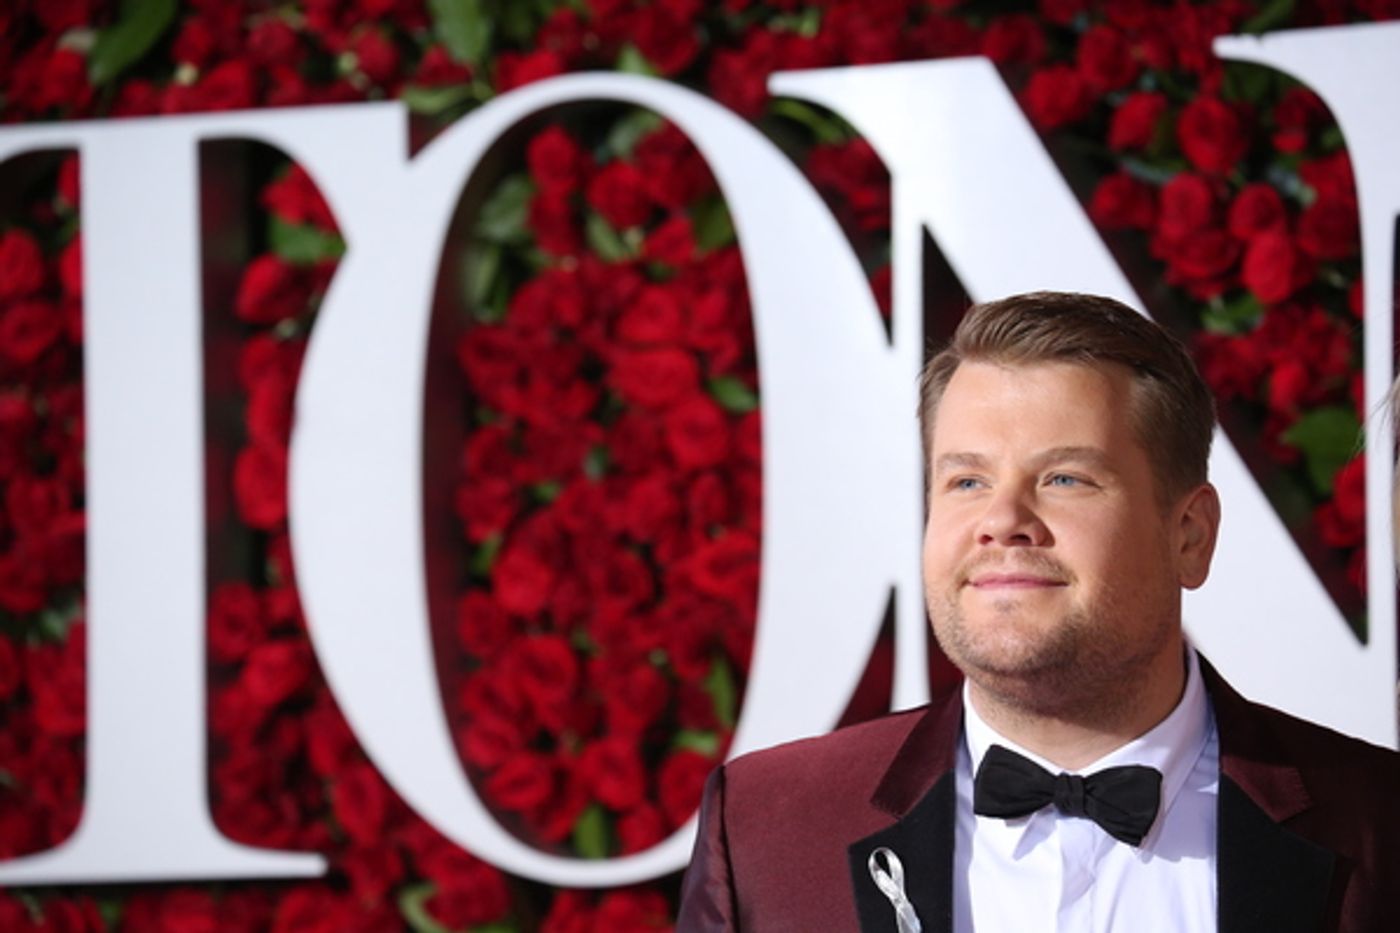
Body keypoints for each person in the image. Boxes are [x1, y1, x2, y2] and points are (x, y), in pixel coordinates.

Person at [676, 291, 1400, 933]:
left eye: (1064, 477)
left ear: (1190, 535)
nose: (1003, 520)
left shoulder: (1379, 824)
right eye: (966, 479)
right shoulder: (767, 829)